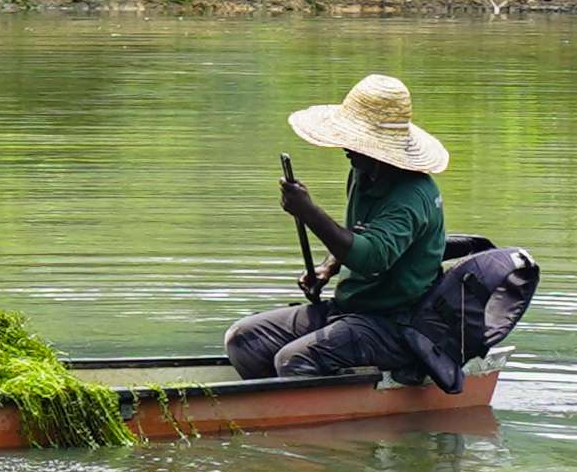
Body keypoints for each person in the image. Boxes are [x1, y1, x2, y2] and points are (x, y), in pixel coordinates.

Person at [226, 70, 528, 387]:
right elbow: (359, 232)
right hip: (350, 309)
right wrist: (328, 268)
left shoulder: (412, 195)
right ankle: (280, 412)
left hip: (396, 325)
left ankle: (323, 424)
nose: (345, 148)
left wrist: (309, 212)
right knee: (244, 340)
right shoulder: (363, 172)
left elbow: (372, 258)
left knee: (295, 360)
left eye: (352, 142)